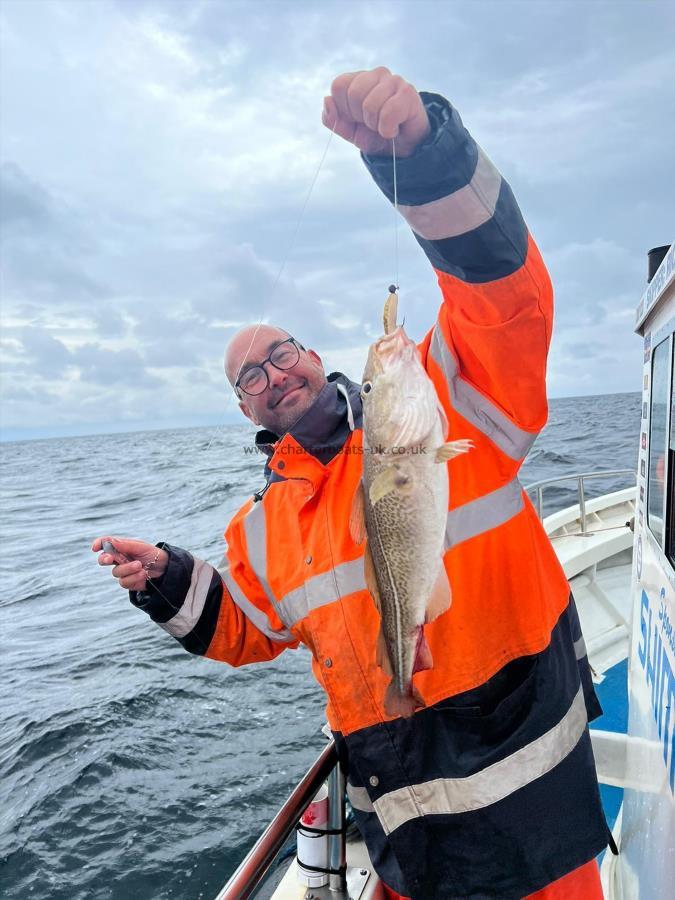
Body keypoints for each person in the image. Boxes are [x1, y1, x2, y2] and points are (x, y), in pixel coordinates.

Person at [93, 67, 610, 900]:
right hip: (403, 811)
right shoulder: (258, 528)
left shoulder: (449, 404)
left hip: (525, 788)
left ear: (310, 356)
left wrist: (427, 160)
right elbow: (247, 631)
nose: (270, 372)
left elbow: (503, 300)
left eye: (279, 352)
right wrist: (167, 580)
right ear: (244, 409)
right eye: (248, 376)